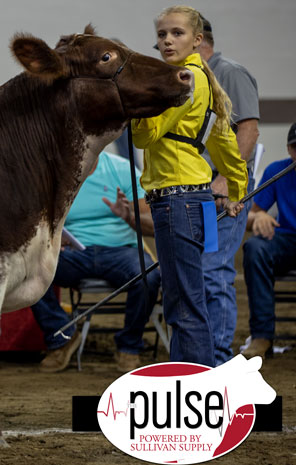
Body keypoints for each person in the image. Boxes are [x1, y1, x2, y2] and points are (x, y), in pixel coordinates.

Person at [131, 5, 247, 367]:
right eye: (162, 34)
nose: (167, 40)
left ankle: (194, 385)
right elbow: (225, 146)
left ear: (197, 40)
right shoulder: (204, 81)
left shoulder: (185, 81)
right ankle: (191, 382)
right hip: (195, 201)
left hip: (177, 201)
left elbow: (145, 135)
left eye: (176, 33)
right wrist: (237, 192)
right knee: (188, 300)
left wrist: (136, 102)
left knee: (184, 304)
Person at [31, 151, 160, 373]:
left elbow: (151, 225)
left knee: (149, 274)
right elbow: (39, 223)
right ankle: (62, 337)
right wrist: (54, 237)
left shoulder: (123, 170)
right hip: (74, 253)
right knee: (30, 270)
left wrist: (129, 216)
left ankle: (129, 346)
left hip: (121, 251)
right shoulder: (57, 174)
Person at [197, 14, 261, 366]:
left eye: (174, 35)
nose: (164, 47)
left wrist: (226, 178)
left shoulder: (229, 73)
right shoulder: (191, 80)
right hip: (193, 191)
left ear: (198, 39)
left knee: (213, 269)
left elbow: (248, 130)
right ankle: (198, 356)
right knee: (196, 272)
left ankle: (217, 361)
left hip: (222, 189)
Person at [241, 123, 296, 360]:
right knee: (255, 247)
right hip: (287, 239)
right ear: (289, 149)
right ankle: (262, 336)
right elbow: (246, 216)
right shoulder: (277, 170)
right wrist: (259, 215)